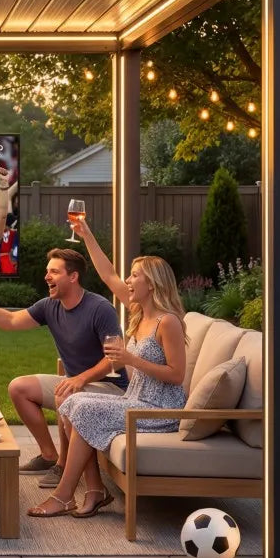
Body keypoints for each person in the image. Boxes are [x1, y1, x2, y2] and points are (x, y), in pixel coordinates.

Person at [28, 219, 187, 518]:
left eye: (135, 275)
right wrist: (87, 234)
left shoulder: (168, 322)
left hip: (160, 409)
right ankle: (94, 490)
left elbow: (177, 375)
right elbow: (108, 274)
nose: (127, 280)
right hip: (135, 400)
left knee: (81, 407)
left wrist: (130, 360)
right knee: (71, 401)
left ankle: (64, 495)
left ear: (152, 284)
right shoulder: (139, 312)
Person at [0, 247, 127, 488]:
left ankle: (63, 465)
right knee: (19, 388)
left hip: (111, 388)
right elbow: (11, 320)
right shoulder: (49, 306)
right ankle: (48, 455)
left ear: (73, 276)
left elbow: (116, 359)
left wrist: (82, 378)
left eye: (54, 272)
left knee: (66, 392)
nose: (46, 276)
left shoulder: (100, 308)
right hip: (74, 384)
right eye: (47, 271)